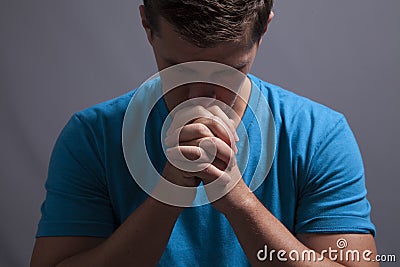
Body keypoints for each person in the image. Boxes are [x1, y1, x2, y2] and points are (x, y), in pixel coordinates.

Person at [31, 1, 378, 266]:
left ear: (263, 30)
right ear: (147, 26)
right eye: (178, 68)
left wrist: (240, 203)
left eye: (231, 70)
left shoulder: (319, 135)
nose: (202, 93)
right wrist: (168, 195)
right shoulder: (92, 137)